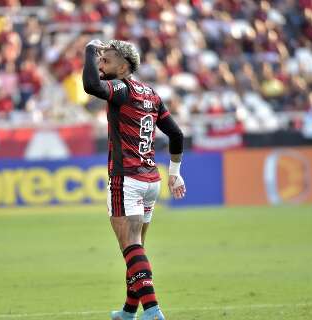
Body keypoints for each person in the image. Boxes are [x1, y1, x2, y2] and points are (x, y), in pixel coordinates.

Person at [82, 39, 186, 320]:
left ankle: (153, 311)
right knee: (136, 249)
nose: (100, 64)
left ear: (124, 66)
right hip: (151, 180)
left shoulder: (122, 88)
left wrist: (90, 49)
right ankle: (129, 312)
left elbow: (91, 86)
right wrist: (174, 174)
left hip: (126, 179)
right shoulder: (151, 93)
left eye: (106, 59)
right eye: (99, 59)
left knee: (130, 246)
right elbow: (176, 135)